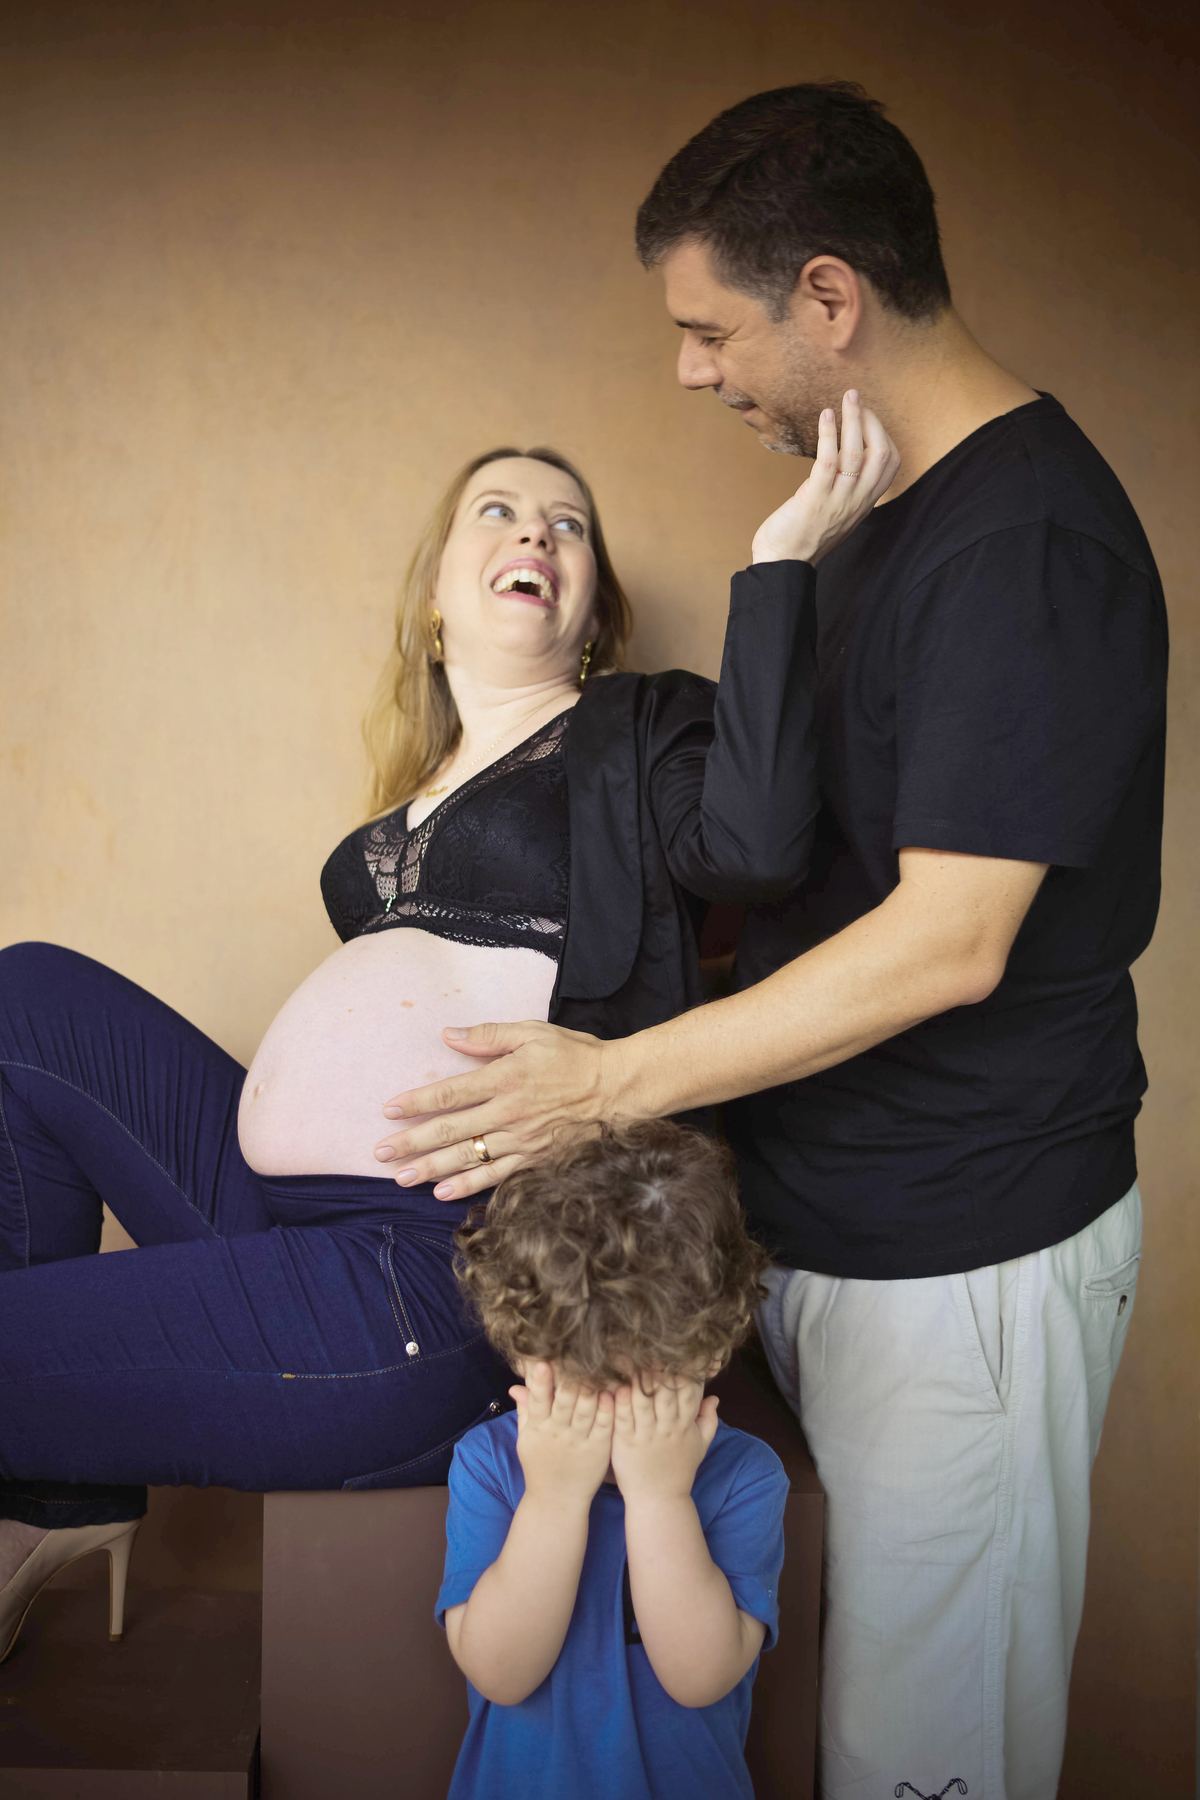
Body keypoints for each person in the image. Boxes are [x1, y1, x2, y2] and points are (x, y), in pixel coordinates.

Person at [372, 85, 1169, 1800]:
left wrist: (606, 1082)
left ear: (829, 297)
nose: (686, 371)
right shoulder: (875, 510)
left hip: (964, 1256)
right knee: (833, 1727)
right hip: (822, 1235)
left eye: (707, 329)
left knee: (921, 1758)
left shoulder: (1025, 546)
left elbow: (949, 943)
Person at [0, 424, 893, 1661]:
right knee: (28, 997)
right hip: (279, 1222)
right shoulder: (398, 818)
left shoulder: (639, 729)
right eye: (500, 510)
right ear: (433, 599)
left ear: (594, 613)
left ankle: (39, 1447)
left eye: (568, 524)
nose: (538, 531)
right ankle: (52, 1488)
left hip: (436, 1267)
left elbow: (756, 845)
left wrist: (783, 563)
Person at [437, 1120, 788, 1800]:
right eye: (579, 1381)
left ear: (708, 1351)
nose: (603, 1413)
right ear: (521, 1350)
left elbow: (700, 1678)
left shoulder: (743, 1476)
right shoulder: (492, 1463)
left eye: (631, 1383)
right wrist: (554, 1498)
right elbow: (500, 1674)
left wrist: (661, 1497)